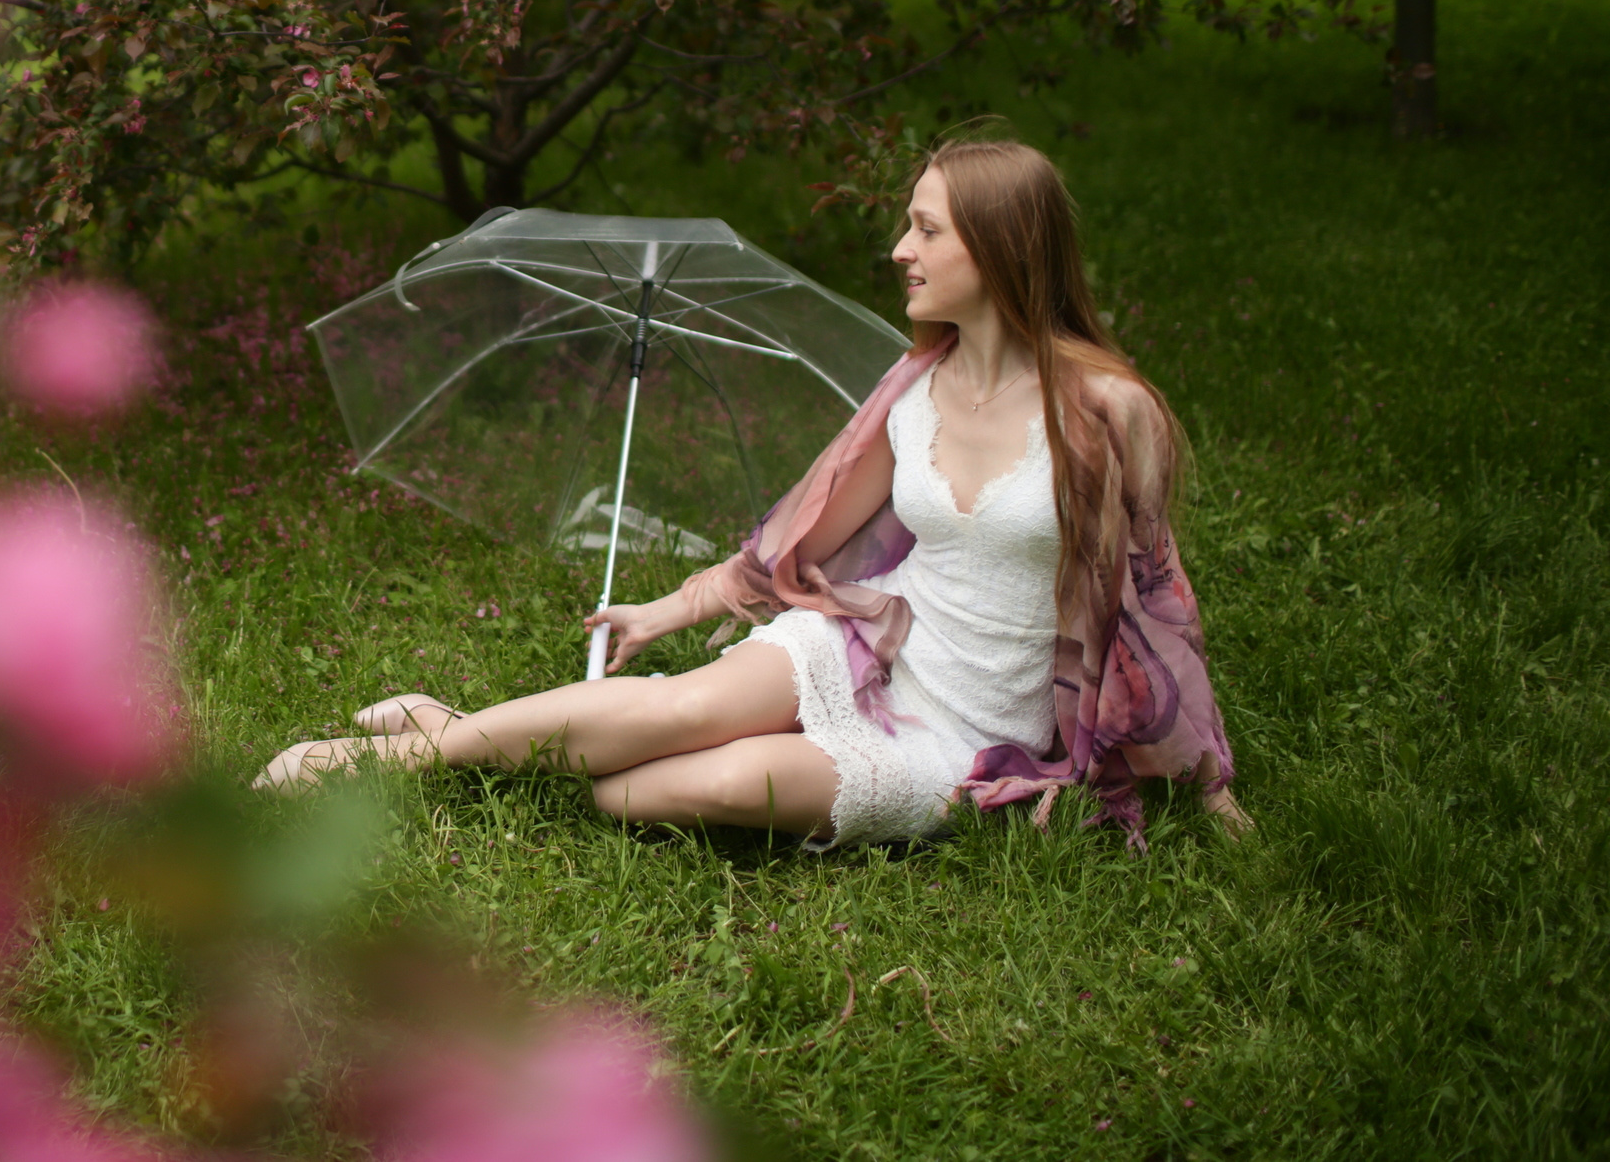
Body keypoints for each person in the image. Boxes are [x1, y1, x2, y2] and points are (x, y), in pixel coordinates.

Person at [254, 138, 1247, 850]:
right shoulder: (912, 391)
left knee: (653, 789)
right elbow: (794, 545)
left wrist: (1207, 787)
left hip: (965, 736)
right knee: (669, 709)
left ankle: (447, 729)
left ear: (995, 248)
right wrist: (667, 608)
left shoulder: (1109, 412)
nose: (900, 249)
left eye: (924, 229)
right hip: (867, 647)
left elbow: (1156, 606)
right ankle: (390, 758)